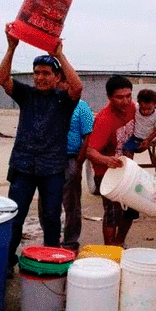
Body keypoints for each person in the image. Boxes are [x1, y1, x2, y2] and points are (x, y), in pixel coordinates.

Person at [0, 22, 83, 272]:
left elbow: (78, 87)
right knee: (14, 217)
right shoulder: (26, 94)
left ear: (56, 77)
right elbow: (2, 78)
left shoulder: (64, 99)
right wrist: (11, 47)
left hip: (52, 169)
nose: (40, 77)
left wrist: (59, 54)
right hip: (23, 166)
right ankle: (7, 263)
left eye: (46, 73)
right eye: (37, 72)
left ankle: (50, 265)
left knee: (51, 220)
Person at [38, 80, 93, 253]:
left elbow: (88, 136)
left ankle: (70, 242)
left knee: (71, 204)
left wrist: (78, 163)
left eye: (65, 82)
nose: (61, 85)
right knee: (45, 202)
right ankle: (50, 239)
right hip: (47, 160)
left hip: (70, 159)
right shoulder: (46, 103)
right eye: (59, 81)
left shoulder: (82, 107)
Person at [86, 75, 139, 247]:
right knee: (113, 213)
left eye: (128, 96)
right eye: (119, 97)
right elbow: (90, 151)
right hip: (106, 173)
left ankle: (119, 243)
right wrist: (106, 160)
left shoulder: (133, 108)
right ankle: (109, 250)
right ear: (109, 97)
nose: (125, 101)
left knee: (131, 209)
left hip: (127, 170)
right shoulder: (104, 120)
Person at [122, 89, 156, 157]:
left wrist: (148, 140)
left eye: (149, 109)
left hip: (146, 139)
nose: (146, 111)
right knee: (126, 150)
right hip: (134, 137)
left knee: (138, 148)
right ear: (139, 104)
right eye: (143, 108)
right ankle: (130, 165)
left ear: (154, 105)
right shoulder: (136, 108)